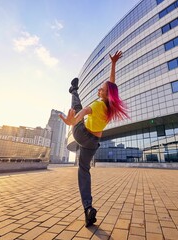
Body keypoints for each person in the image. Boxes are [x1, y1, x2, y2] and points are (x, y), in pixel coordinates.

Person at [59, 50, 128, 227]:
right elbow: (112, 83)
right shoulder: (110, 105)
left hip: (80, 133)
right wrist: (113, 64)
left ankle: (73, 90)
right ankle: (87, 207)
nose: (99, 89)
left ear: (105, 94)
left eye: (101, 89)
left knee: (77, 105)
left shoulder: (97, 104)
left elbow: (83, 111)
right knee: (84, 171)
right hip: (92, 143)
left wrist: (73, 120)